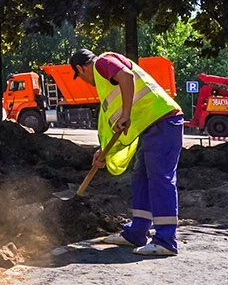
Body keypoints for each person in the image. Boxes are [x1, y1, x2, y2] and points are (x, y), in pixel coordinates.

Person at [70, 47, 186, 257]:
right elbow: (115, 128)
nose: (86, 82)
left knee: (160, 178)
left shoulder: (102, 63)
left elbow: (126, 76)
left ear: (80, 68)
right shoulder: (105, 81)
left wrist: (125, 113)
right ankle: (137, 233)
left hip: (164, 121)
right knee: (141, 178)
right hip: (154, 126)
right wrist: (103, 152)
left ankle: (166, 240)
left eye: (80, 77)